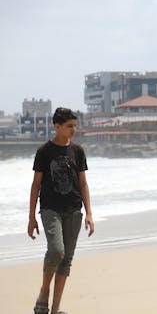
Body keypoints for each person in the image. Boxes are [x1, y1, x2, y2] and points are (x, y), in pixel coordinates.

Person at [28, 107, 94, 314]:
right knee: (57, 251)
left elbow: (83, 184)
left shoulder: (78, 151)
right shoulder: (44, 152)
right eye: (69, 126)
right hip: (50, 209)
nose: (74, 129)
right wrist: (31, 218)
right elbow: (35, 185)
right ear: (56, 126)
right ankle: (44, 292)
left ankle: (55, 309)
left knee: (66, 260)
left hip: (74, 209)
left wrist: (89, 214)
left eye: (75, 125)